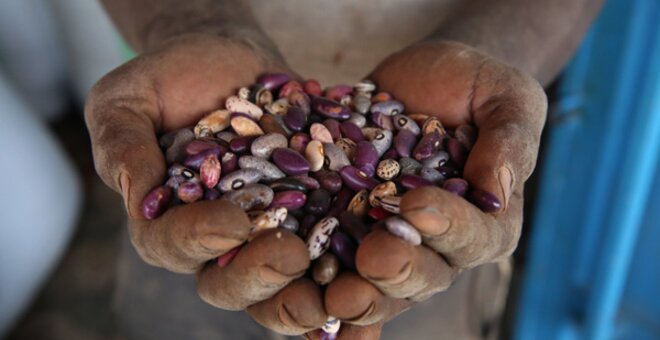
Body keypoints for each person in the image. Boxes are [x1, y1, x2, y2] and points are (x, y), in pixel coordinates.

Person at [85, 1, 603, 339]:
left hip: (431, 213)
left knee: (409, 271)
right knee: (184, 283)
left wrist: (491, 51)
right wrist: (195, 22)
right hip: (186, 117)